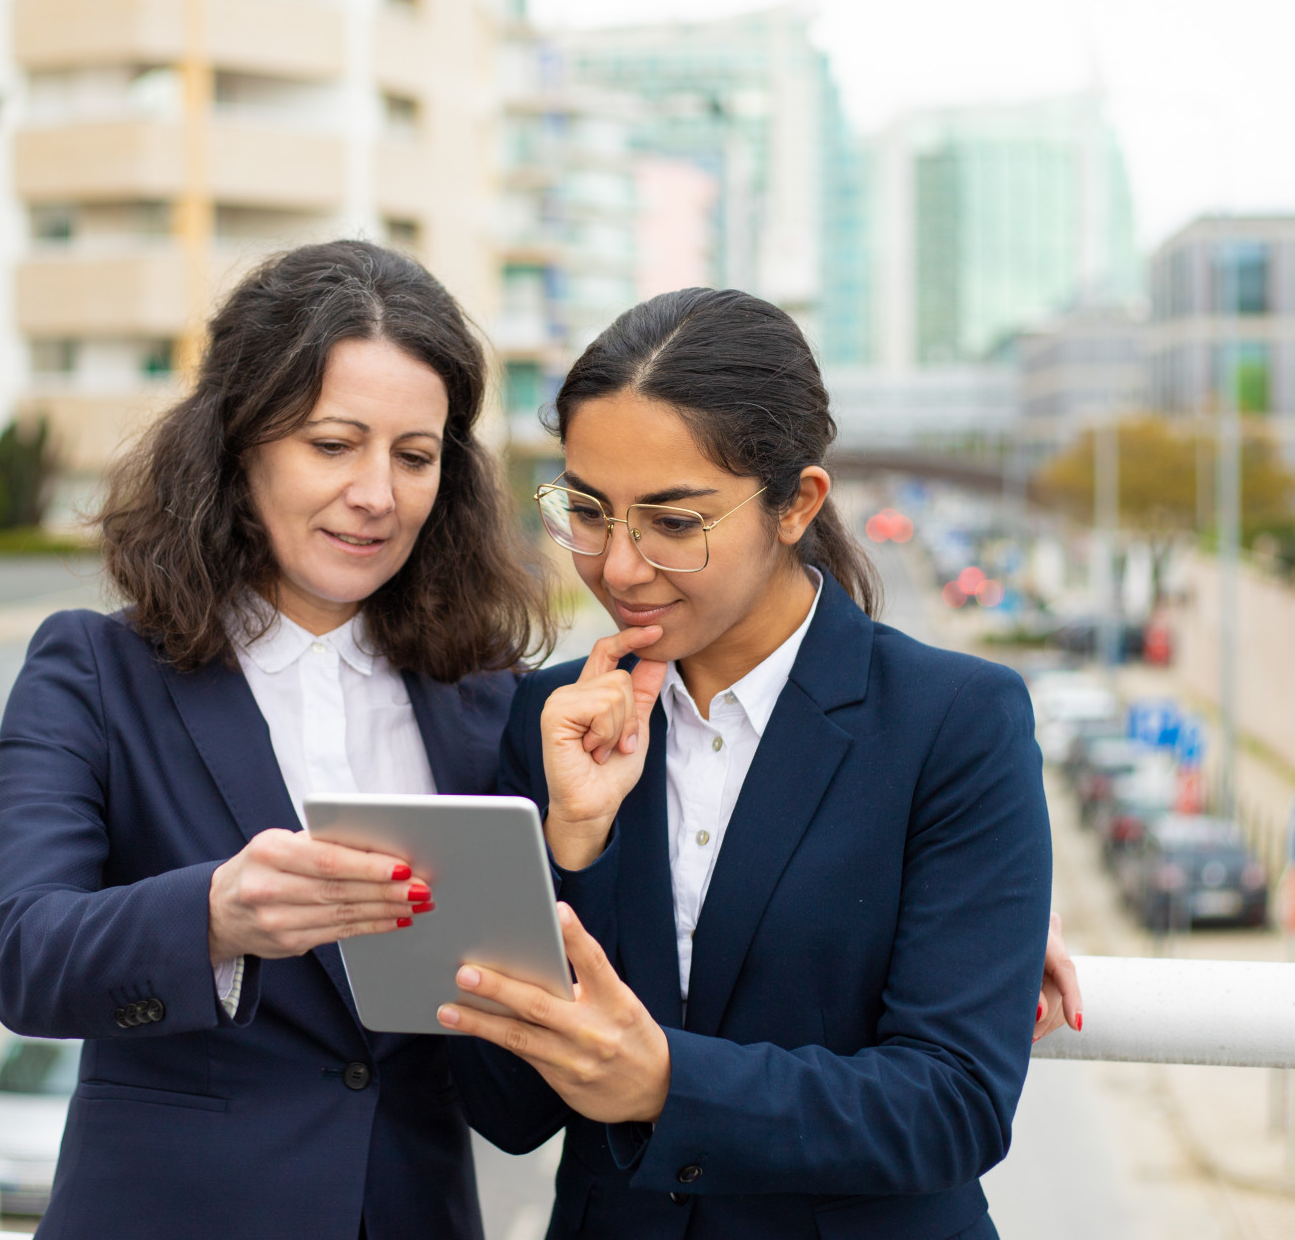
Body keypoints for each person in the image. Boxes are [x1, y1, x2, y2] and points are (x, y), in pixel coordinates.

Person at [441, 287, 1058, 1239]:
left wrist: (667, 1083)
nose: (619, 567)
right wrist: (571, 846)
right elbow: (507, 1109)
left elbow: (955, 1102)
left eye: (673, 522)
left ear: (796, 504)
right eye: (590, 511)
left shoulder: (955, 722)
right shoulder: (551, 719)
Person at [0, 240, 554, 1239]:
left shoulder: (489, 700)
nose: (377, 493)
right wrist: (213, 915)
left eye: (414, 456)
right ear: (240, 444)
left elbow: (520, 1046)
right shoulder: (94, 673)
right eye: (333, 444)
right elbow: (25, 954)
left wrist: (579, 841)